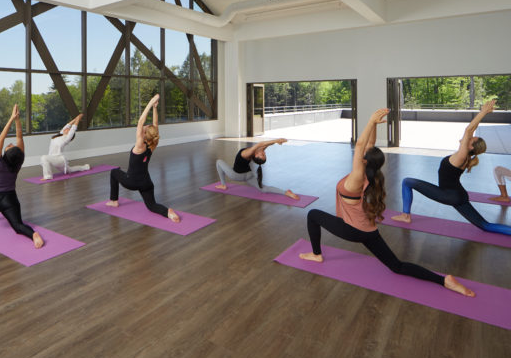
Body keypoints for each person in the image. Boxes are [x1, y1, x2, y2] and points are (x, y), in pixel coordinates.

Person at [299, 108, 474, 297]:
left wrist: (369, 121)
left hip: (352, 230)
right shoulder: (370, 175)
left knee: (313, 214)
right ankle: (444, 281)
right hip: (369, 230)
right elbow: (368, 145)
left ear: (364, 161)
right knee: (396, 266)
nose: (363, 151)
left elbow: (359, 145)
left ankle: (316, 254)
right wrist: (374, 124)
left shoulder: (357, 178)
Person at [392, 99, 511, 235]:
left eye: (471, 138)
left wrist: (483, 112)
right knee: (485, 225)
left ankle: (405, 215)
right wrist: (482, 114)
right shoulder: (466, 156)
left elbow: (468, 129)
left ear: (471, 146)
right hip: (459, 195)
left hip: (448, 195)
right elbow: (470, 131)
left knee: (407, 181)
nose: (469, 137)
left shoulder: (461, 155)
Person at [0, 104, 44, 248]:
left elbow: (1, 137)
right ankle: (33, 235)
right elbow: (19, 137)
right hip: (11, 200)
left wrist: (11, 118)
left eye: (9, 146)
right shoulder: (18, 161)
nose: (10, 144)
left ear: (6, 153)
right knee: (18, 226)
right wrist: (18, 120)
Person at [107, 94, 180, 222]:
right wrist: (155, 108)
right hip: (146, 183)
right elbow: (155, 126)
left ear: (145, 134)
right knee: (152, 206)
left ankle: (114, 201)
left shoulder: (140, 145)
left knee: (114, 172)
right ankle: (168, 212)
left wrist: (151, 102)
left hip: (132, 182)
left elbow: (140, 121)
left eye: (146, 128)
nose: (145, 126)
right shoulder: (153, 144)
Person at [215, 139, 299, 200]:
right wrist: (275, 142)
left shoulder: (248, 153)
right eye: (264, 154)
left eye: (262, 155)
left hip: (236, 175)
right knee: (263, 188)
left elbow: (261, 144)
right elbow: (264, 145)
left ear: (256, 156)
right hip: (248, 175)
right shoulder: (255, 153)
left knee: (219, 162)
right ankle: (286, 193)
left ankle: (223, 185)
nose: (264, 153)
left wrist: (276, 140)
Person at [40, 113, 90, 180]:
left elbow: (73, 128)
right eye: (66, 129)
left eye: (68, 129)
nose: (66, 129)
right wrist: (76, 118)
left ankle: (48, 176)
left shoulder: (66, 138)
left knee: (44, 157)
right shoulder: (60, 135)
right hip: (52, 158)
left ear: (69, 133)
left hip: (59, 159)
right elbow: (68, 125)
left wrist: (78, 118)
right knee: (70, 170)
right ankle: (85, 167)